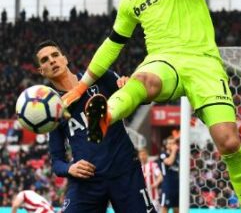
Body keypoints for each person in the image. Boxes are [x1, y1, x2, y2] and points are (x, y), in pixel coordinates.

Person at [62, 0, 241, 212]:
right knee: (144, 81)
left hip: (203, 62)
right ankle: (103, 117)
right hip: (163, 59)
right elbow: (112, 45)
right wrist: (81, 88)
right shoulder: (130, 0)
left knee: (229, 142)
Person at [34, 40, 156, 213]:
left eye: (55, 55)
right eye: (45, 60)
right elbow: (57, 162)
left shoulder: (100, 77)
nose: (52, 61)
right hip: (87, 181)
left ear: (65, 59)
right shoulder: (53, 108)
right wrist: (70, 168)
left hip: (124, 171)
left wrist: (129, 86)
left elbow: (144, 99)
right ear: (41, 71)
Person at [138, 147, 163, 212]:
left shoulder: (153, 165)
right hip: (142, 198)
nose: (142, 156)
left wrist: (155, 184)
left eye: (144, 154)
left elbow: (160, 176)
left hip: (153, 197)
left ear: (147, 155)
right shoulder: (137, 168)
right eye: (141, 155)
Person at [159, 136, 179, 213]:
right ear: (166, 145)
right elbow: (169, 162)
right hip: (167, 187)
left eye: (173, 143)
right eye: (170, 143)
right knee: (165, 208)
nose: (172, 145)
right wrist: (174, 151)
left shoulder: (179, 156)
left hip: (177, 187)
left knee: (177, 209)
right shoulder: (163, 154)